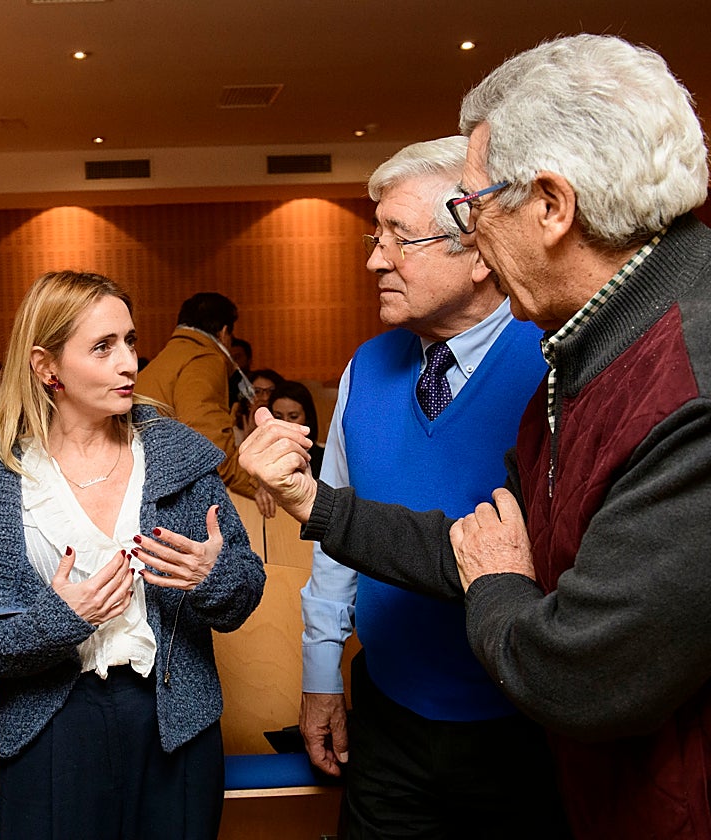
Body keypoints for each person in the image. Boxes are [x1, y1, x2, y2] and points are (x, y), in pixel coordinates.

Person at [240, 35, 711, 838]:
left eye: (471, 206)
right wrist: (312, 503)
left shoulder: (681, 382)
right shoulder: (596, 348)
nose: (473, 233)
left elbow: (576, 672)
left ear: (552, 206)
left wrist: (496, 583)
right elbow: (478, 545)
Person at [0, 270, 265, 839]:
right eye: (103, 347)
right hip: (52, 725)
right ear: (46, 366)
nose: (129, 364)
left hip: (174, 720)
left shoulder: (175, 453)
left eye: (131, 341)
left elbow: (244, 586)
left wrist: (211, 577)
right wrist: (62, 620)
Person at [298, 137, 565, 838]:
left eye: (399, 238)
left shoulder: (553, 364)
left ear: (480, 250)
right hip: (389, 720)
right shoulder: (366, 367)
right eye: (374, 234)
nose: (374, 259)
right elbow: (335, 532)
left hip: (526, 729)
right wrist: (321, 670)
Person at [136, 292, 275, 516]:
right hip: (168, 495)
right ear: (224, 332)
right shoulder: (204, 359)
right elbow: (208, 444)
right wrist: (256, 486)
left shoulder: (168, 358)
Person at [265, 380, 324, 479]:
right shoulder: (265, 456)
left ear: (307, 418)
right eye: (278, 417)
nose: (285, 423)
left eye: (293, 416)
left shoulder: (324, 459)